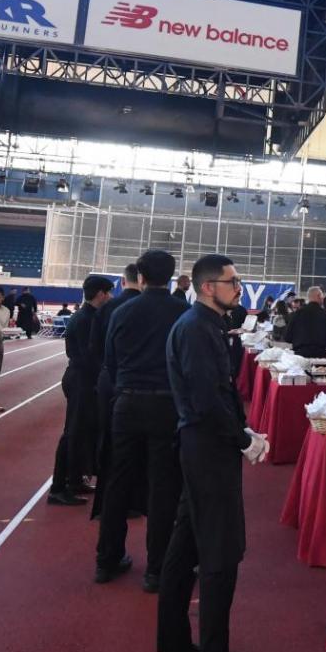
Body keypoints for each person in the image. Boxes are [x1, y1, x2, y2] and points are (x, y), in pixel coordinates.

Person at [158, 254, 267, 652]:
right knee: (220, 554)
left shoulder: (206, 325)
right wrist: (242, 439)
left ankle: (174, 645)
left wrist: (243, 431)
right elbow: (205, 400)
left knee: (186, 546)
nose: (239, 288)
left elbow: (218, 393)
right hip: (208, 447)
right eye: (232, 282)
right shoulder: (196, 329)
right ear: (208, 287)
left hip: (206, 443)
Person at [95, 249, 191, 591]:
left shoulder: (121, 311)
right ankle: (157, 569)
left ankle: (106, 560)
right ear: (172, 276)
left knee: (118, 481)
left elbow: (109, 359)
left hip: (127, 401)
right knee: (163, 487)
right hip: (167, 406)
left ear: (140, 276)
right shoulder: (183, 312)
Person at [50, 275, 114, 506]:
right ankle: (58, 487)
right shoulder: (86, 319)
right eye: (109, 292)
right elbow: (89, 356)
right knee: (73, 433)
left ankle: (76, 479)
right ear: (101, 294)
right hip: (81, 380)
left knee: (84, 432)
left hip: (84, 378)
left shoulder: (88, 316)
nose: (111, 297)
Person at [91, 263, 143, 521]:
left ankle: (106, 505)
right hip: (144, 387)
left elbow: (95, 347)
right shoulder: (157, 308)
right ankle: (137, 500)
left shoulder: (108, 308)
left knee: (110, 442)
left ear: (123, 281)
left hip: (111, 381)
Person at [286, 286, 326, 358]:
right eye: (322, 296)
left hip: (300, 355)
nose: (323, 299)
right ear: (319, 296)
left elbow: (287, 337)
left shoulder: (297, 314)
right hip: (319, 355)